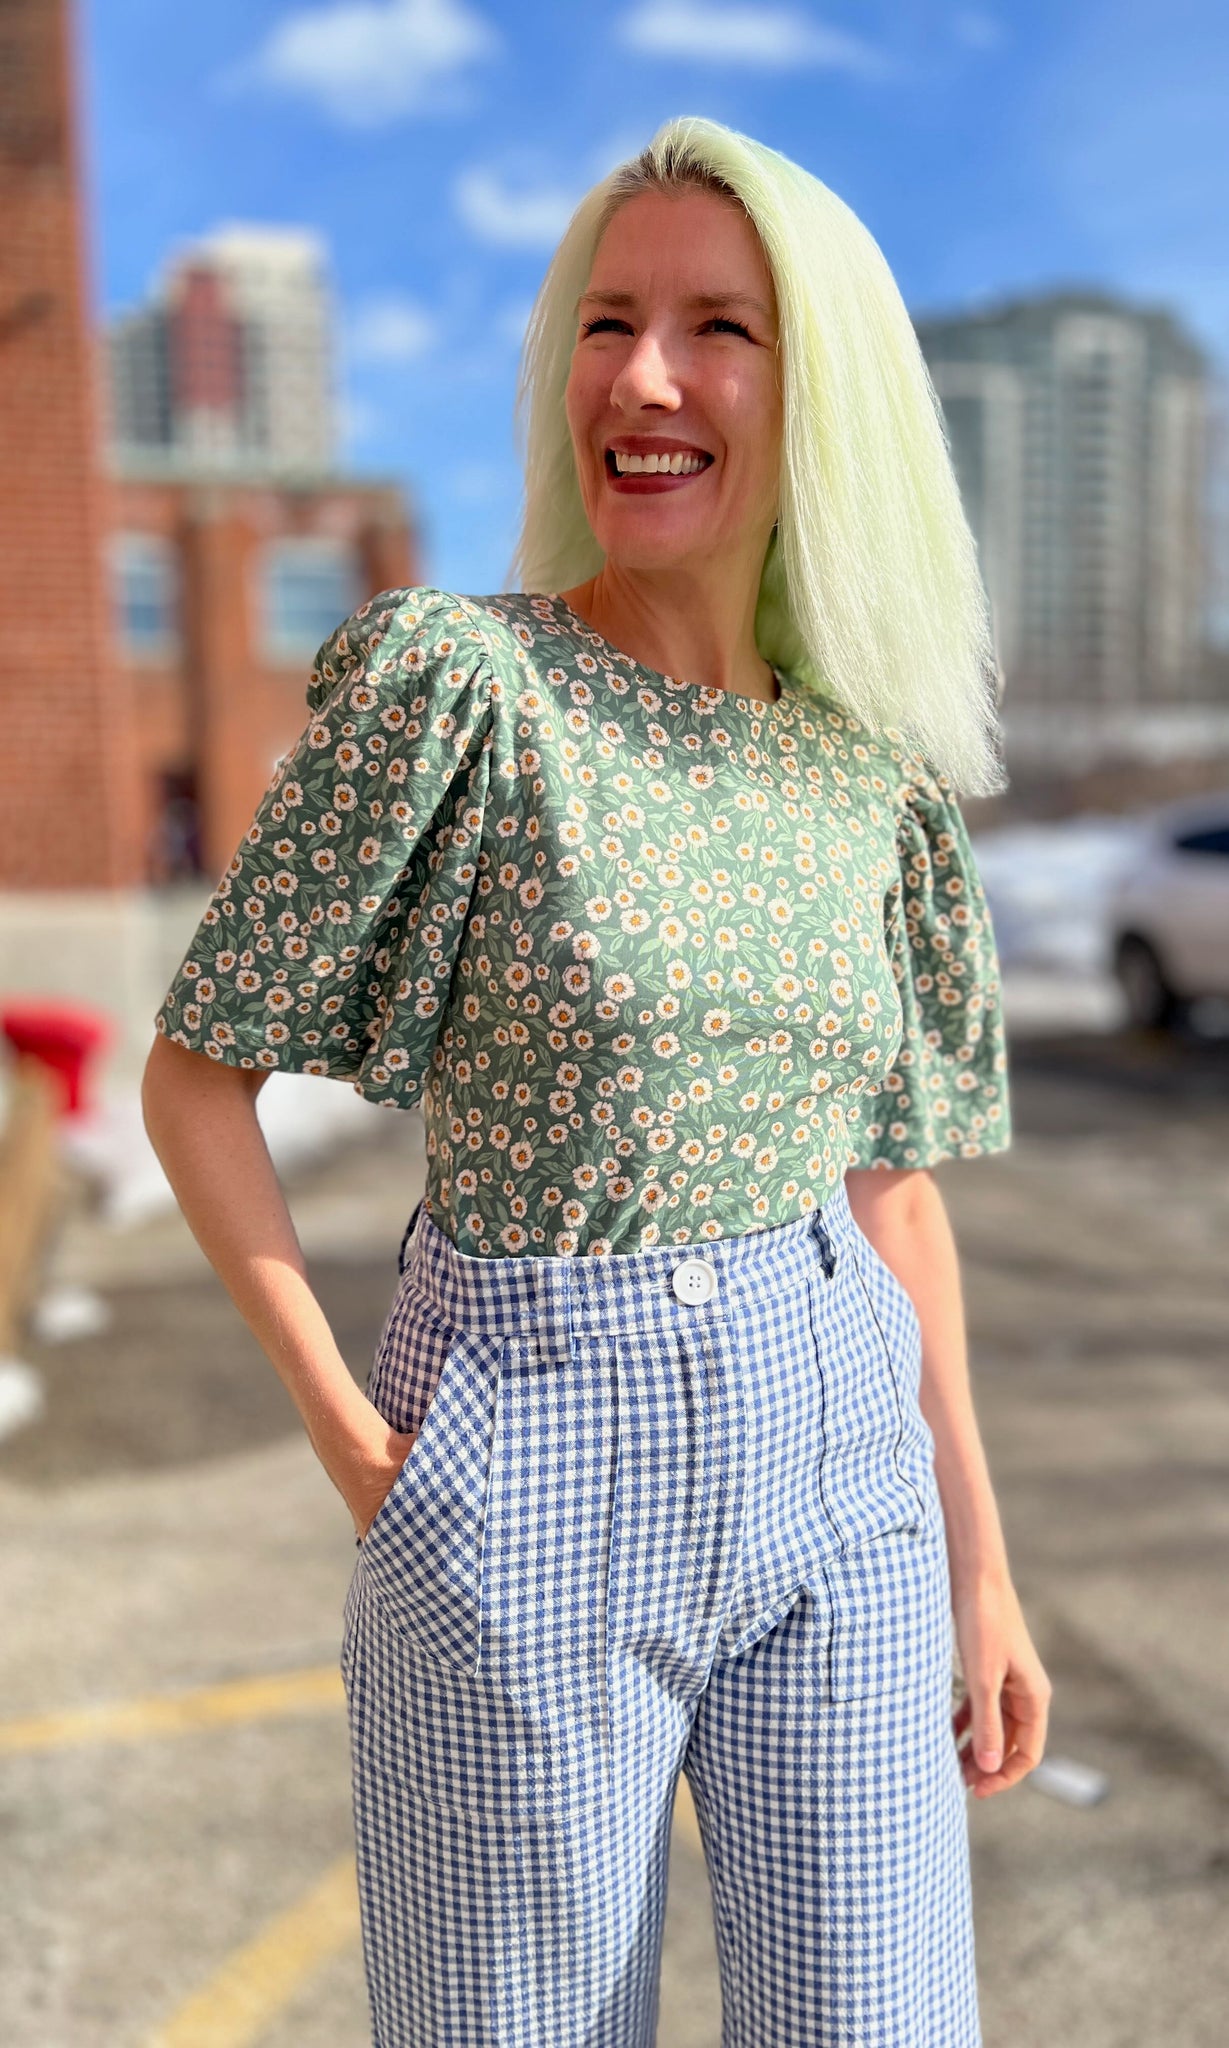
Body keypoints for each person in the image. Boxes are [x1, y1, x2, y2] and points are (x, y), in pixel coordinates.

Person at [142, 114, 1051, 2048]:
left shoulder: (867, 775)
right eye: (605, 324)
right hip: (532, 1454)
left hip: (845, 1455)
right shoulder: (465, 691)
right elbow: (196, 1080)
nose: (642, 379)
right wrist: (365, 1454)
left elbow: (890, 1187)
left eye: (718, 327)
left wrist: (980, 1564)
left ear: (822, 393)